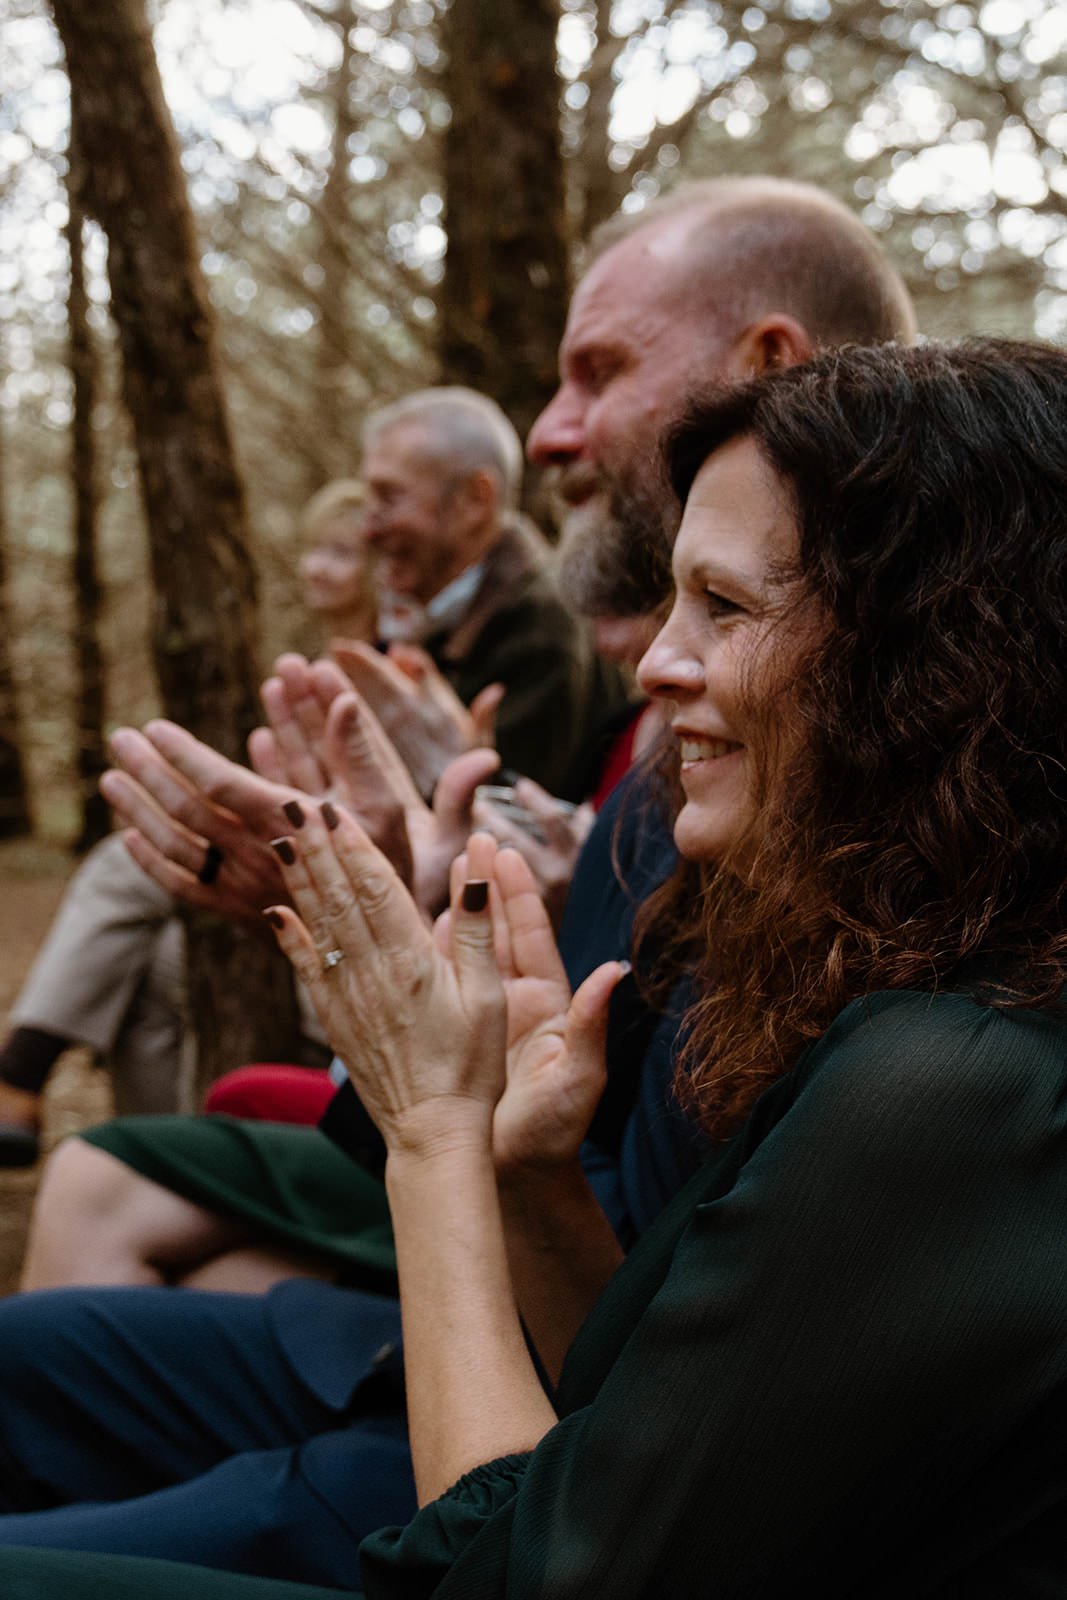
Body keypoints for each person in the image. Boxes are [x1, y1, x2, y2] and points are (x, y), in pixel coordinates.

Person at [4, 334, 1067, 1599]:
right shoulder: (923, 965)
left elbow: (509, 1571)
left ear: (934, 658)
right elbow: (636, 1414)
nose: (655, 662)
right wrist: (524, 1161)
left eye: (721, 608)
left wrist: (437, 1128)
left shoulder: (952, 1079)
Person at [0, 481, 377, 1164]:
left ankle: (22, 1066)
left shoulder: (390, 675)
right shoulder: (314, 659)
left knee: (131, 858)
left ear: (384, 566)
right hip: (313, 930)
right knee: (152, 967)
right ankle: (157, 1156)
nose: (318, 566)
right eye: (314, 548)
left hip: (350, 962)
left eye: (343, 554)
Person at [332, 386, 629, 801]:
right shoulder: (446, 614)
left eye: (389, 498)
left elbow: (518, 832)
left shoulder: (541, 630)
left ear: (475, 500)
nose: (369, 529)